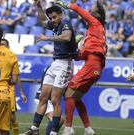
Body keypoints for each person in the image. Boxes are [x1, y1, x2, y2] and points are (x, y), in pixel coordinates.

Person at [20, 0, 77, 135]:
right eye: (51, 17)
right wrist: (39, 7)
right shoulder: (55, 24)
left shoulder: (65, 24)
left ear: (61, 15)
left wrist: (47, 38)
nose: (52, 20)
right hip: (55, 62)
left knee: (55, 99)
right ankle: (34, 128)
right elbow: (43, 22)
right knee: (43, 97)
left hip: (65, 64)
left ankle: (54, 132)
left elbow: (67, 37)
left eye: (54, 17)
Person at [56, 1, 106, 135]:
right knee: (76, 98)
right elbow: (82, 56)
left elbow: (80, 10)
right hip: (96, 68)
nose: (86, 18)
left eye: (90, 16)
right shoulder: (97, 34)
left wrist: (67, 5)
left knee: (68, 94)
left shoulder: (95, 25)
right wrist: (76, 47)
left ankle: (68, 128)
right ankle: (88, 129)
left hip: (91, 66)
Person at [1, 38, 27, 135]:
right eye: (1, 44)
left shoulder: (12, 57)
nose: (3, 46)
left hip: (9, 88)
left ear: (8, 46)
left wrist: (21, 93)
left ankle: (16, 133)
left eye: (5, 45)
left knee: (12, 115)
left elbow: (17, 76)